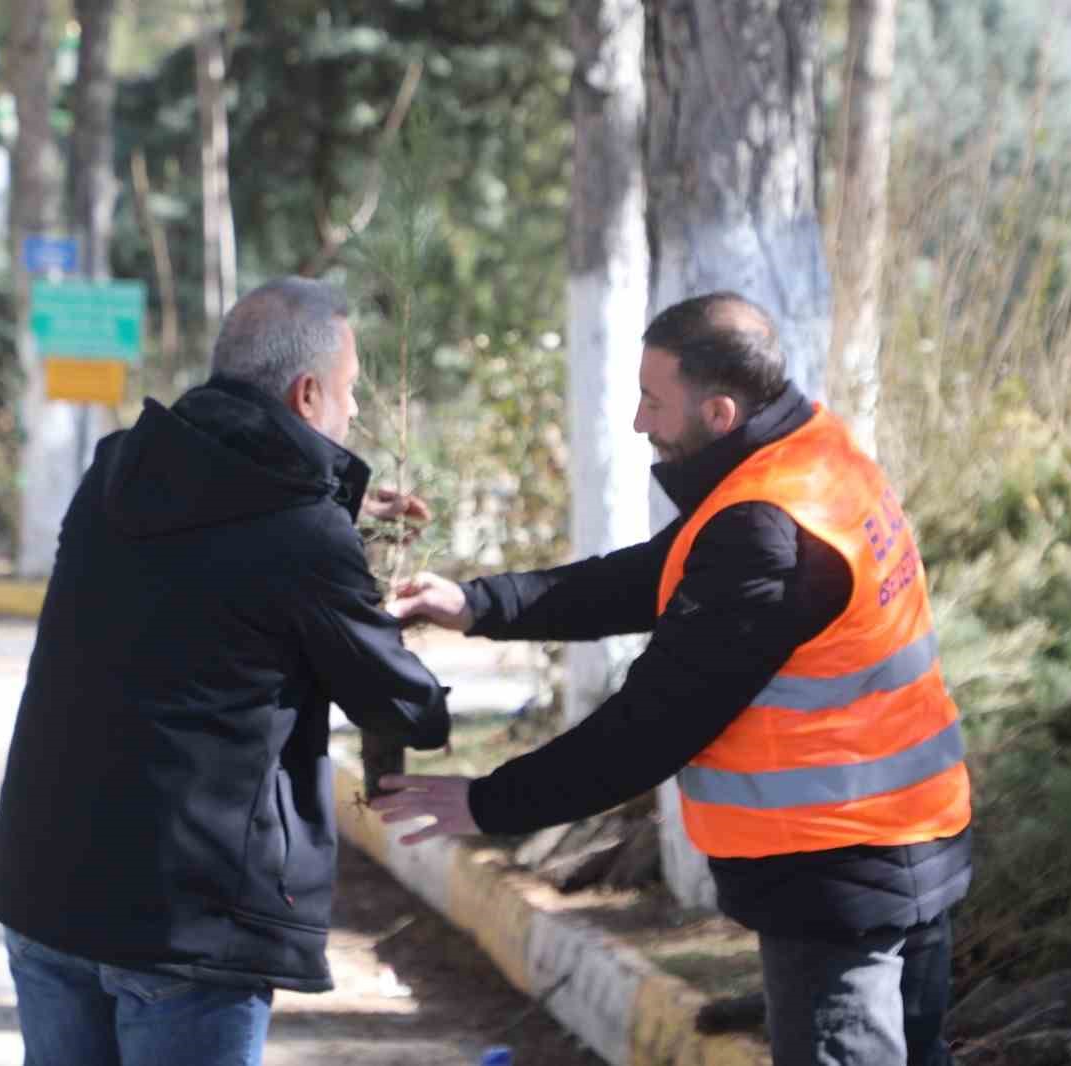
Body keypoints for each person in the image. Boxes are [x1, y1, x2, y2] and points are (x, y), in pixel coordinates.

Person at [373, 292, 972, 1066]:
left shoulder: (766, 527)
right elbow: (658, 575)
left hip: (837, 869)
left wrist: (487, 802)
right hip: (906, 835)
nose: (637, 422)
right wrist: (480, 604)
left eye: (653, 402)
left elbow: (652, 724)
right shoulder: (810, 460)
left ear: (719, 412)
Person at [0, 276, 451, 1066]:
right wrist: (400, 619)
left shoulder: (115, 471)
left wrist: (340, 508)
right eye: (349, 390)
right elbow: (407, 709)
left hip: (45, 893)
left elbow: (213, 539)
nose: (355, 412)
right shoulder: (301, 532)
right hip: (185, 925)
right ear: (307, 395)